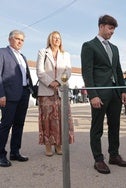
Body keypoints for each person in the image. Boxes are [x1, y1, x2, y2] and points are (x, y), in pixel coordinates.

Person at [81, 15, 126, 174]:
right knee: (97, 128)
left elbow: (117, 70)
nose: (111, 32)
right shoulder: (89, 46)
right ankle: (98, 159)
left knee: (115, 125)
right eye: (110, 28)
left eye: (113, 30)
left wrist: (123, 90)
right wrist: (92, 95)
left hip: (115, 93)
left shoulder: (114, 48)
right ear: (101, 26)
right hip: (99, 94)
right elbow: (87, 73)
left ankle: (114, 155)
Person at [36, 31, 74, 157]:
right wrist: (50, 82)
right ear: (50, 40)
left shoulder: (66, 54)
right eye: (54, 38)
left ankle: (58, 145)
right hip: (46, 91)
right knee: (47, 119)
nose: (56, 40)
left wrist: (58, 81)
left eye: (58, 38)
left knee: (61, 118)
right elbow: (40, 71)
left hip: (61, 90)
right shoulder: (43, 52)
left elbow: (68, 71)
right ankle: (48, 145)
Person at [0, 30, 34, 167]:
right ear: (10, 39)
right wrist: (1, 94)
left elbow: (25, 75)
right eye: (17, 39)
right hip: (8, 96)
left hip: (24, 94)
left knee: (19, 124)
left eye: (22, 40)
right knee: (6, 125)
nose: (20, 42)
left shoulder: (23, 57)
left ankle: (15, 152)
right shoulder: (2, 53)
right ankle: (1, 154)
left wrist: (31, 89)